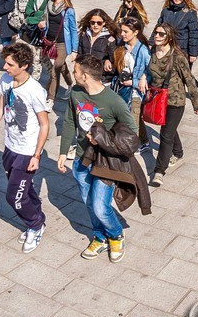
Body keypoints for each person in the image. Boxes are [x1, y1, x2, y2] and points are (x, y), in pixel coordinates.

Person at [56, 52, 148, 261]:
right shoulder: (76, 93)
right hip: (81, 158)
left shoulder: (112, 101)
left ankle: (116, 235)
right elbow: (70, 122)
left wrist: (104, 139)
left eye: (76, 71)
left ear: (85, 76)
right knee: (89, 203)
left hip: (105, 162)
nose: (73, 73)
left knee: (100, 206)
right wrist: (63, 152)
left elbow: (131, 132)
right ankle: (99, 236)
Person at [0, 42, 52, 252]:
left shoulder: (34, 90)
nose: (5, 67)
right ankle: (36, 214)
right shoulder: (6, 80)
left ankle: (36, 225)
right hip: (10, 146)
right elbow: (1, 106)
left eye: (10, 64)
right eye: (5, 63)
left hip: (27, 152)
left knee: (14, 198)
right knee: (23, 189)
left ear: (24, 65)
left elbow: (45, 124)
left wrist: (36, 155)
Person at [145, 20, 198, 185]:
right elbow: (146, 70)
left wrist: (197, 105)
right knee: (168, 129)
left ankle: (159, 172)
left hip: (176, 101)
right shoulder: (152, 52)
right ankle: (178, 151)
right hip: (158, 98)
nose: (157, 36)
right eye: (156, 33)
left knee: (165, 135)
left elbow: (189, 80)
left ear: (169, 37)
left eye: (161, 34)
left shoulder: (178, 57)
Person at [112, 16, 151, 116]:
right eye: (121, 31)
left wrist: (134, 82)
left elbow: (151, 73)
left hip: (135, 93)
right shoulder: (121, 47)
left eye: (126, 31)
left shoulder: (143, 51)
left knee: (132, 126)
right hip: (120, 89)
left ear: (136, 32)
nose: (122, 34)